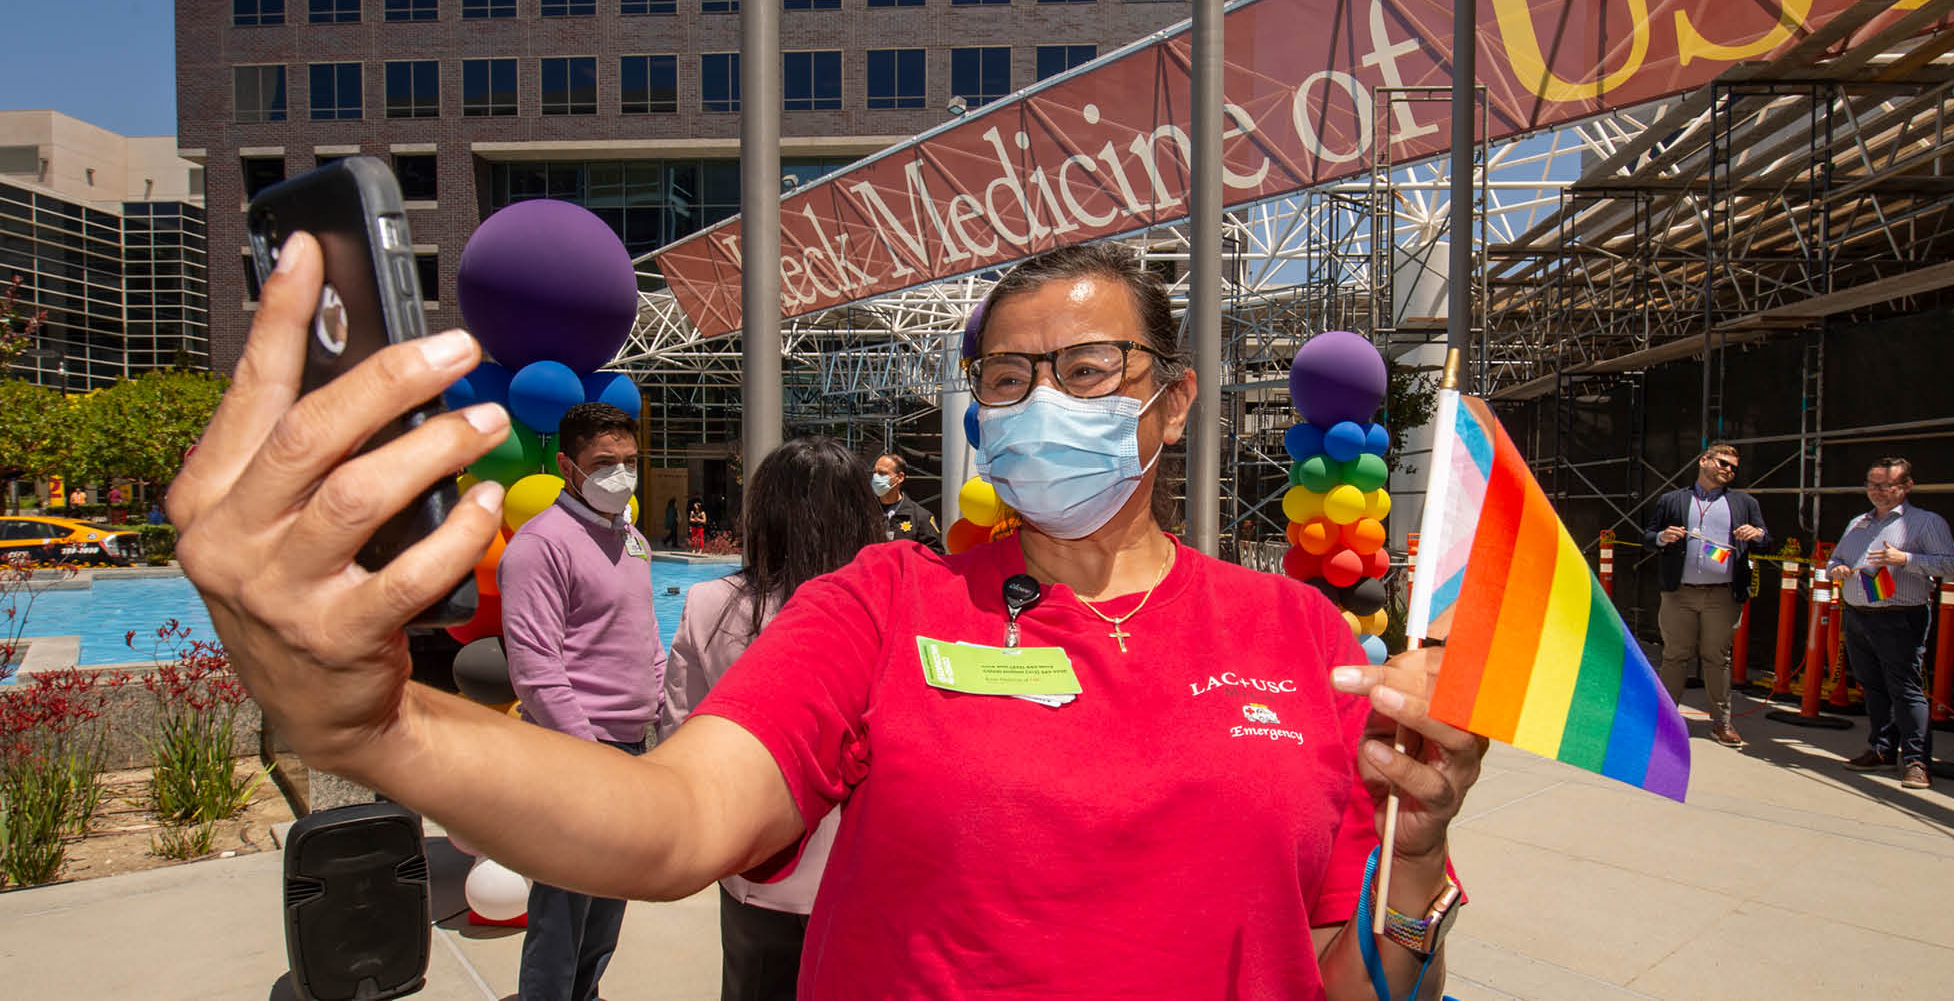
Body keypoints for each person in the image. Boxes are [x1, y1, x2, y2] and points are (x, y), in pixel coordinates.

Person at [162, 232, 1487, 1001]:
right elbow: (670, 819)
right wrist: (383, 723)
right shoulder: (886, 603)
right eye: (1008, 376)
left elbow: (1359, 968)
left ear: (1174, 398)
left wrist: (1415, 858)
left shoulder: (1301, 641)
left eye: (1089, 368)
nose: (1043, 402)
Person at [662, 437, 882, 1001]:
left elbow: (679, 730)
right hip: (871, 873)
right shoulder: (891, 610)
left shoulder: (711, 604)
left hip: (756, 867)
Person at [498, 400, 665, 1001]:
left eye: (629, 461)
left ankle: (585, 993)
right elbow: (536, 669)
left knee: (607, 904)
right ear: (568, 466)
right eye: (603, 463)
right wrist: (588, 752)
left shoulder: (633, 539)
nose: (620, 475)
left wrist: (665, 722)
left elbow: (645, 639)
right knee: (562, 911)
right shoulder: (541, 546)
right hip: (574, 753)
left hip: (628, 747)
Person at [1826, 456, 1954, 790]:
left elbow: (1951, 564)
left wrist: (1906, 560)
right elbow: (1836, 559)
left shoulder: (1927, 522)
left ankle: (1916, 760)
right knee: (1873, 687)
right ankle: (1881, 749)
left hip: (1899, 616)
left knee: (1905, 688)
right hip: (1858, 613)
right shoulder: (1859, 522)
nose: (1879, 492)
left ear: (1907, 486)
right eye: (1873, 485)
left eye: (1887, 486)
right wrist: (1836, 569)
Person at [1643, 443, 1770, 748]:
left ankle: (1721, 722)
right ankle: (1666, 719)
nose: (1728, 470)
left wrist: (1758, 535)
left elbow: (1766, 541)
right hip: (1680, 593)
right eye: (1723, 463)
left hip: (1722, 595)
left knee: (1717, 658)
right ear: (1704, 461)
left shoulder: (1744, 503)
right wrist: (1662, 538)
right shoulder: (1672, 500)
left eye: (1733, 468)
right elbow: (1648, 537)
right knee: (1674, 655)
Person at [870, 451, 941, 552]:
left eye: (882, 473)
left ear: (900, 477)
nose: (876, 477)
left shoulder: (920, 517)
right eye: (874, 472)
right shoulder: (865, 513)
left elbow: (935, 554)